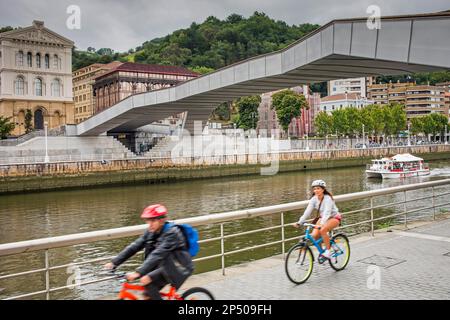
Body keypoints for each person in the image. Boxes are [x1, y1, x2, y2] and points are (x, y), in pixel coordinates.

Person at [104, 204, 194, 300]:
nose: (150, 224)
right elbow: (134, 246)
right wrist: (114, 262)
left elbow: (158, 253)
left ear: (162, 220)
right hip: (164, 265)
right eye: (148, 220)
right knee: (147, 294)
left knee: (145, 279)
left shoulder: (172, 233)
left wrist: (138, 272)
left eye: (153, 220)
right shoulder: (151, 231)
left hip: (179, 267)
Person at [293, 180, 342, 259]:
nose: (316, 190)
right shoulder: (314, 199)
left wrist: (322, 223)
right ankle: (323, 251)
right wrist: (299, 222)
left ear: (323, 189)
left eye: (318, 188)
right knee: (315, 235)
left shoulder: (328, 198)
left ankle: (328, 251)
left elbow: (327, 212)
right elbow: (307, 212)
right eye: (314, 189)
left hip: (334, 217)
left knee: (322, 230)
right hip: (323, 218)